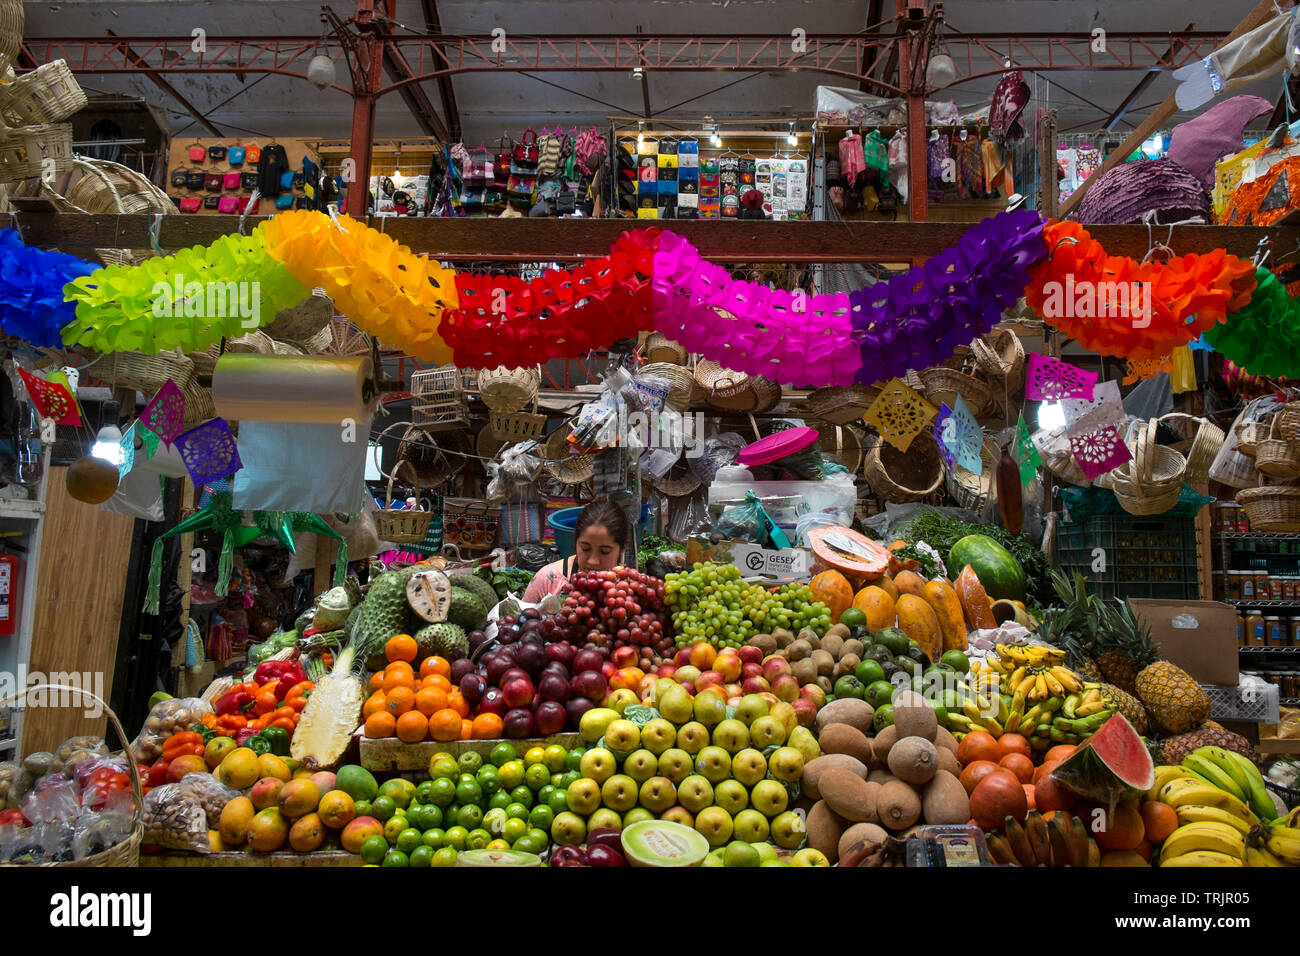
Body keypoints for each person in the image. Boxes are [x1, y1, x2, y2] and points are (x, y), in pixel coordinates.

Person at [523, 499, 629, 603]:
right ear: (575, 541)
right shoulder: (547, 580)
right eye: (585, 549)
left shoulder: (628, 590)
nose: (593, 561)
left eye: (604, 551)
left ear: (622, 548)